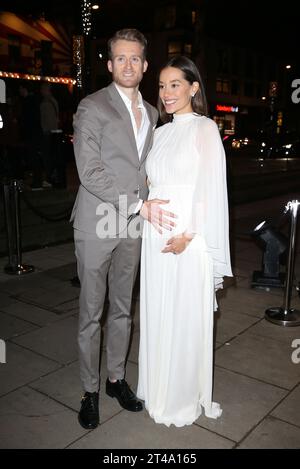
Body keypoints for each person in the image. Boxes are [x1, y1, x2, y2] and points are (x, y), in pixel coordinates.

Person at [71, 29, 174, 430]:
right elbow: (89, 170)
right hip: (98, 222)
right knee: (90, 313)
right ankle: (90, 390)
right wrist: (138, 204)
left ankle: (115, 379)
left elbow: (148, 170)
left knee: (122, 310)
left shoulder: (151, 113)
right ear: (109, 63)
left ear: (145, 66)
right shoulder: (91, 107)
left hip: (133, 225)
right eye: (121, 58)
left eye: (136, 59)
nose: (128, 65)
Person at [137, 56, 233, 427]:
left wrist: (188, 235)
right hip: (155, 237)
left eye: (175, 84)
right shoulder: (160, 133)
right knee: (159, 311)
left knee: (182, 316)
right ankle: (157, 387)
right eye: (161, 86)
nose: (166, 93)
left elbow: (210, 187)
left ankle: (178, 397)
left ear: (194, 87)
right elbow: (150, 182)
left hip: (187, 239)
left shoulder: (205, 128)